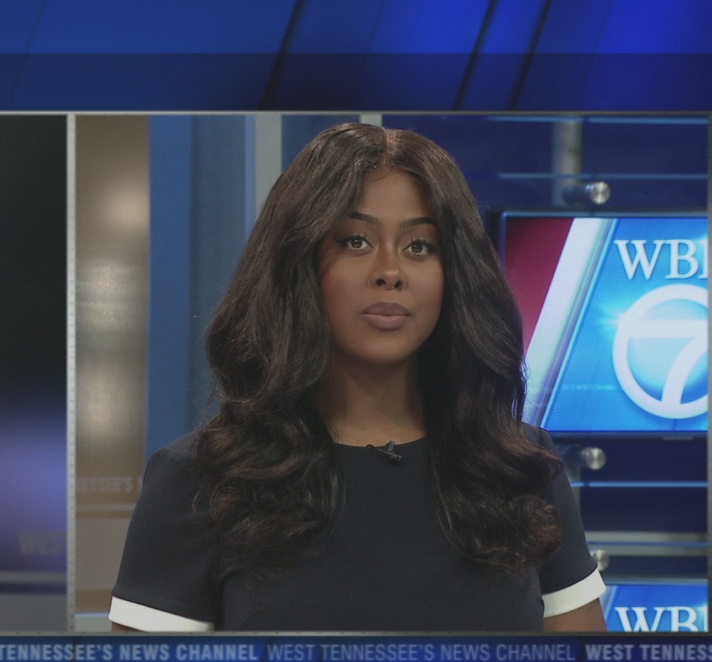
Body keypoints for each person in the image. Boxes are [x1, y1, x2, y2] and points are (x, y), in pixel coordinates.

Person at [110, 123, 606, 632]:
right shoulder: (200, 481)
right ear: (298, 264)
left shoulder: (519, 468)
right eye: (355, 241)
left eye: (420, 246)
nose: (390, 271)